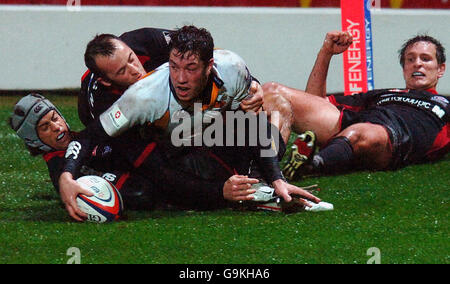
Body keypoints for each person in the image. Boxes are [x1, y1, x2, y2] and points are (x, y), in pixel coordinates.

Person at [59, 25, 322, 221]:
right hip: (135, 130)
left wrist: (275, 178)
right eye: (174, 67)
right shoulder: (139, 98)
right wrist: (66, 174)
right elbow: (89, 137)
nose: (181, 78)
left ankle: (264, 178)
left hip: (190, 121)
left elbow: (252, 122)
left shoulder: (229, 65)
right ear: (107, 80)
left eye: (132, 59)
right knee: (149, 189)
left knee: (270, 111)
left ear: (209, 65)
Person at [10, 94, 322, 222]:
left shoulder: (85, 138)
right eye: (45, 127)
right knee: (262, 128)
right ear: (32, 139)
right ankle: (274, 177)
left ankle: (277, 172)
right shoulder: (62, 172)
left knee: (274, 106)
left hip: (183, 150)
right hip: (187, 171)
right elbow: (141, 193)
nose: (56, 126)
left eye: (54, 118)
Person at [262, 31, 449, 180]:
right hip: (358, 123)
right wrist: (326, 53)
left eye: (425, 59)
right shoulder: (383, 94)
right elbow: (315, 103)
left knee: (360, 131)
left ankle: (310, 166)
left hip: (394, 139)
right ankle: (263, 170)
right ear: (404, 67)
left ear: (440, 69)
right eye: (410, 59)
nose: (417, 64)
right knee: (272, 92)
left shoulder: (446, 104)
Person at [79, 27, 263, 127]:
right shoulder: (102, 102)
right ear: (106, 81)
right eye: (122, 71)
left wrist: (253, 84)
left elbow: (202, 52)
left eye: (132, 59)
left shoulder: (149, 40)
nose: (135, 70)